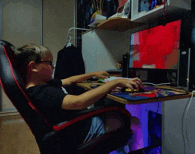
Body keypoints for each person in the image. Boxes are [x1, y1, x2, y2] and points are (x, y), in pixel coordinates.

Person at [14, 44, 144, 153]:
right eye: (49, 63)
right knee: (134, 122)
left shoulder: (44, 84)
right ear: (33, 67)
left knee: (112, 109)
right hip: (79, 131)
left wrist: (93, 74)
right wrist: (115, 83)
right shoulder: (43, 92)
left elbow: (69, 80)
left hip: (76, 124)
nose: (53, 67)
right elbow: (79, 102)